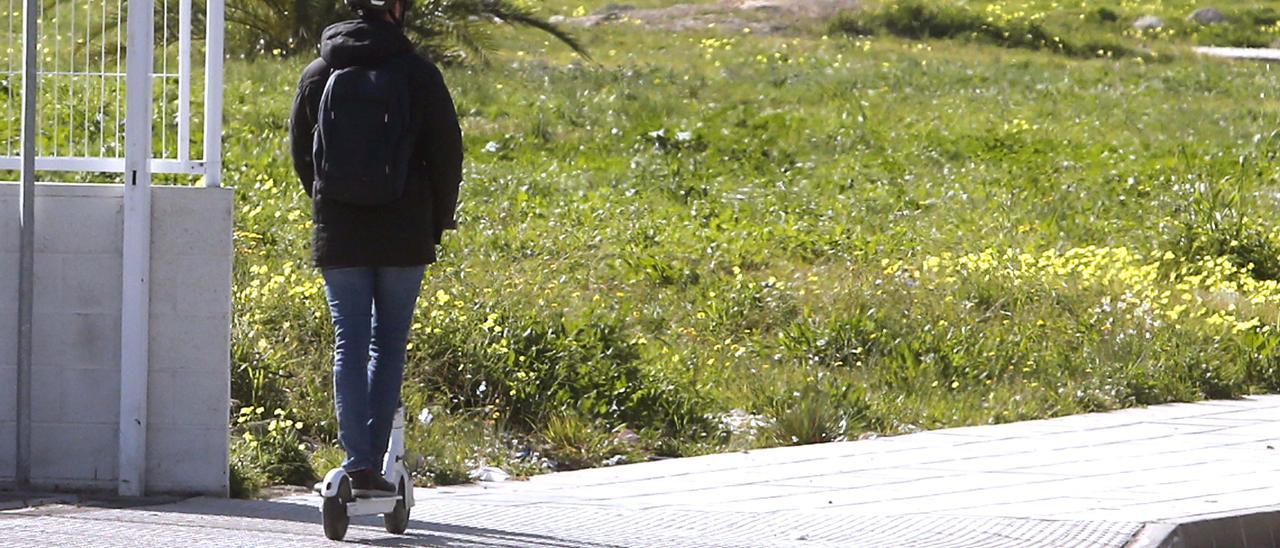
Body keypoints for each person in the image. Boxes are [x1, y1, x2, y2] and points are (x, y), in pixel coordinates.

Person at [289, 0, 462, 495]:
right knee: (387, 345)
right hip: (404, 229)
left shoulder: (320, 71)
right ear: (398, 10)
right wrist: (437, 218)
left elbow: (302, 150)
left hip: (340, 228)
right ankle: (374, 465)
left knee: (349, 341)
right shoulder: (418, 74)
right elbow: (446, 151)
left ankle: (358, 461)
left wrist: (328, 202)